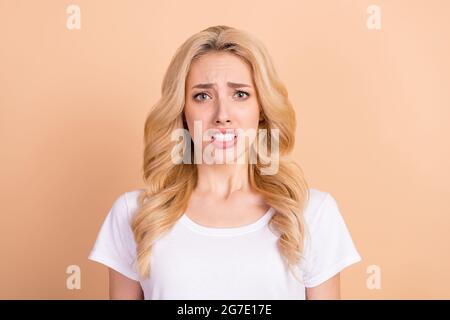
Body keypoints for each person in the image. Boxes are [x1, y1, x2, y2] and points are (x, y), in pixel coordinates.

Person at [88, 25, 362, 300]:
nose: (222, 115)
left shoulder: (311, 214)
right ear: (182, 111)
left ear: (262, 109)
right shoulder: (134, 214)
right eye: (202, 96)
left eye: (240, 94)